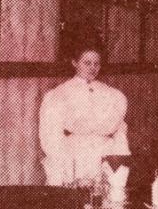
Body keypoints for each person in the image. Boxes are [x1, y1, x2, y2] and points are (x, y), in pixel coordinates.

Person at [38, 41, 129, 187]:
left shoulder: (112, 95)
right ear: (75, 63)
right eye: (87, 63)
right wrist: (64, 166)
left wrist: (119, 159)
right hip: (75, 155)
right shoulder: (59, 94)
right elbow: (51, 135)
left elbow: (120, 130)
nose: (93, 68)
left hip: (106, 153)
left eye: (96, 63)